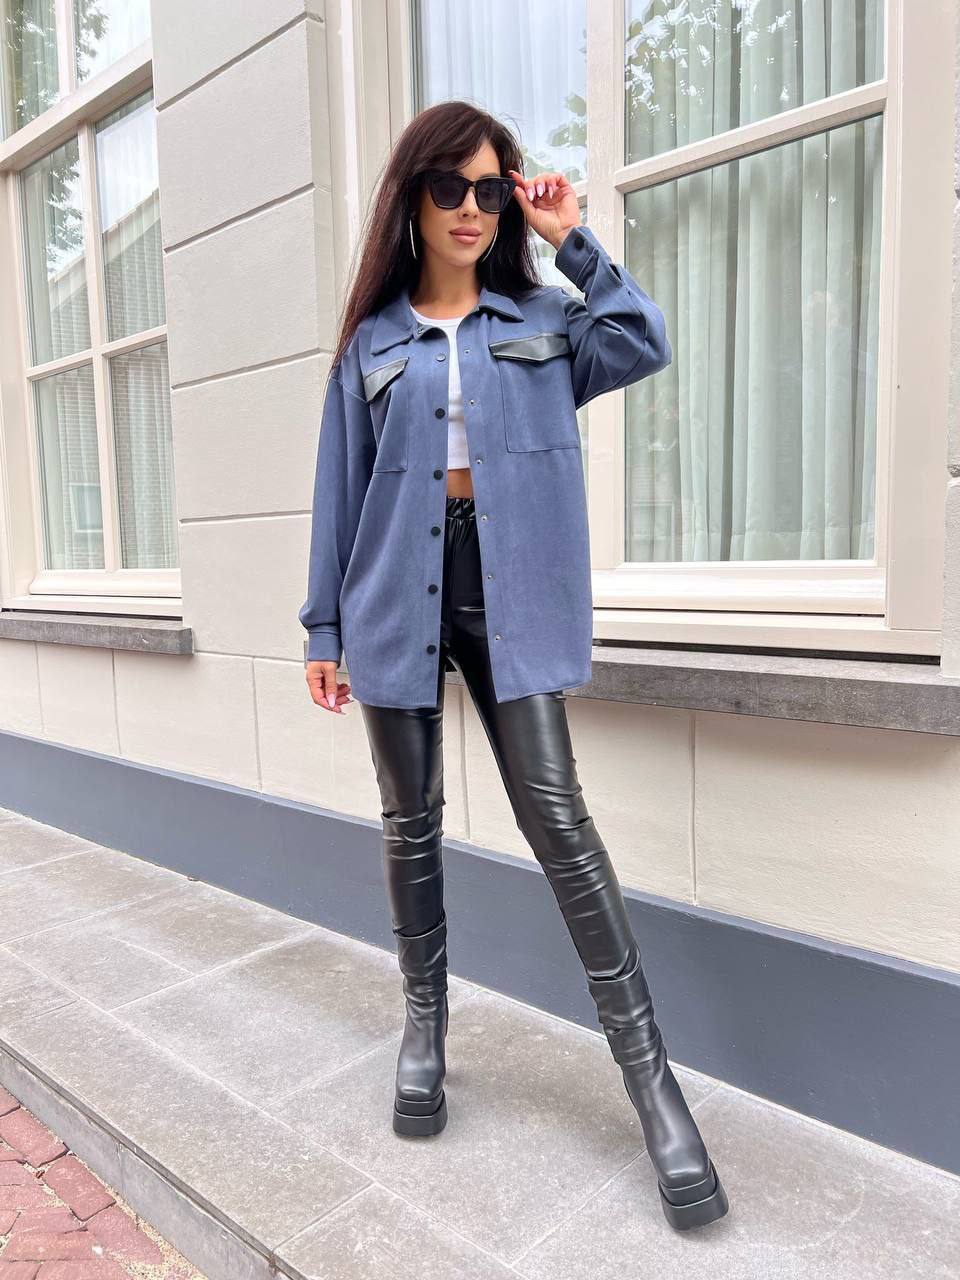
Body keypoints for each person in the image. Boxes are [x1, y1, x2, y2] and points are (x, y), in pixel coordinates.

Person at [299, 100, 728, 1232]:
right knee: (411, 822)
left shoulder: (542, 320)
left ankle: (654, 1086)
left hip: (510, 585)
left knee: (561, 821)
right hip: (392, 590)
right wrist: (321, 628)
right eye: (453, 187)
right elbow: (336, 492)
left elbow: (641, 336)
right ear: (413, 196)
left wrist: (571, 235)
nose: (474, 209)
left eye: (493, 189)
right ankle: (425, 1028)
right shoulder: (371, 346)